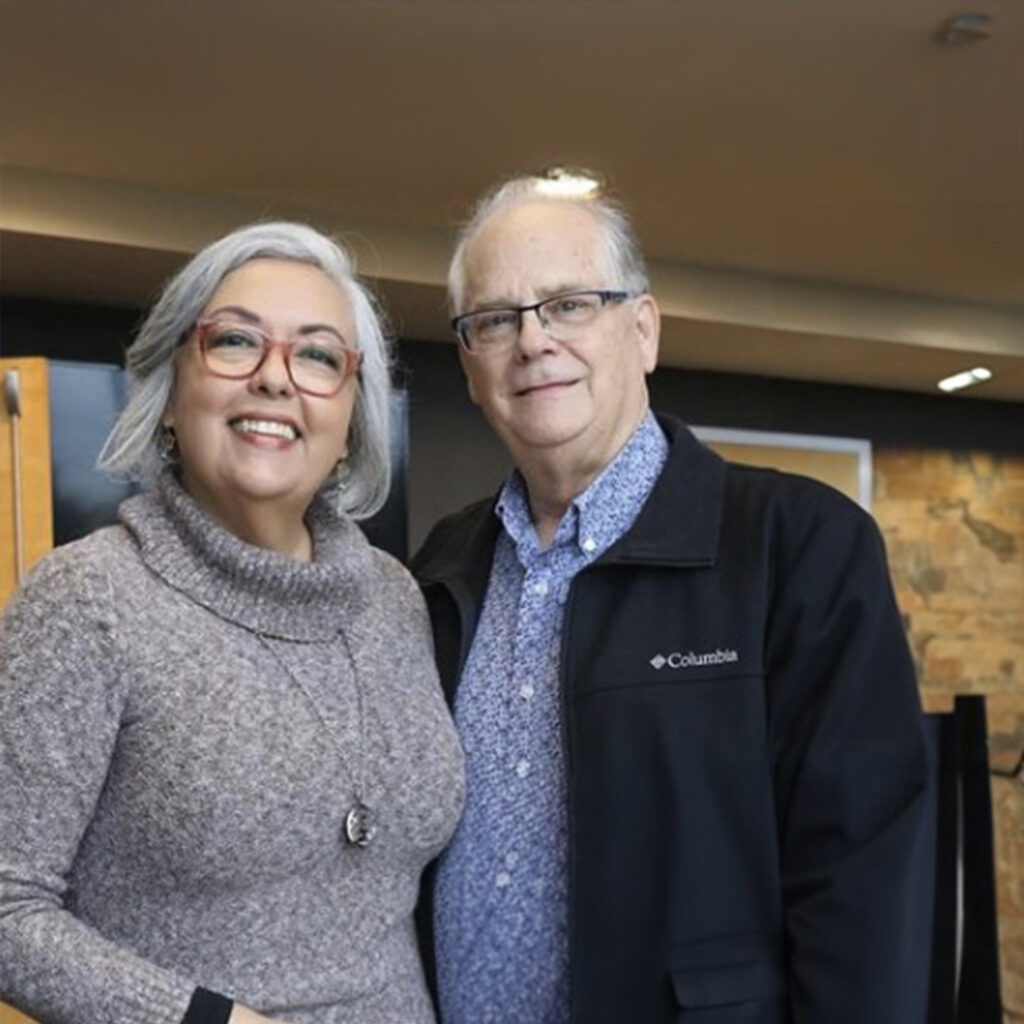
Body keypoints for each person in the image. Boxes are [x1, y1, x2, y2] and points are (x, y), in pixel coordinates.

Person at [411, 177, 928, 1024]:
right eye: (495, 320)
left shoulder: (801, 547)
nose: (533, 341)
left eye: (569, 305)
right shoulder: (442, 567)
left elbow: (865, 882)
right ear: (470, 367)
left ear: (643, 330)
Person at [0, 222, 465, 1024]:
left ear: (351, 421)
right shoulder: (86, 600)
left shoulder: (396, 599)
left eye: (317, 355)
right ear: (170, 393)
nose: (274, 378)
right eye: (236, 341)